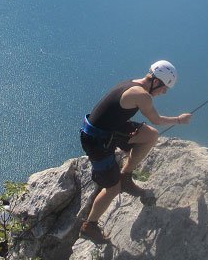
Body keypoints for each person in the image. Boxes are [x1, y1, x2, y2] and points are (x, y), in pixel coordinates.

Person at [78, 60, 193, 244]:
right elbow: (155, 118)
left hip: (108, 130)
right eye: (164, 88)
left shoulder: (132, 82)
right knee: (112, 189)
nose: (164, 92)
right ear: (156, 82)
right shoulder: (142, 96)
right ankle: (89, 226)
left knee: (150, 136)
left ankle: (126, 176)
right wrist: (179, 120)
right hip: (97, 141)